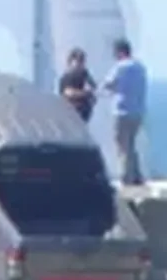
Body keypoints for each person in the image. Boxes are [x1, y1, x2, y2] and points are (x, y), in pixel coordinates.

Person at [102, 38, 147, 186]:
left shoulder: (120, 66)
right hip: (137, 111)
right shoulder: (140, 67)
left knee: (122, 145)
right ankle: (136, 175)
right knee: (131, 145)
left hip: (122, 111)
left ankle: (126, 176)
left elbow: (108, 84)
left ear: (120, 52)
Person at [58, 48, 96, 122]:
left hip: (83, 115)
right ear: (71, 61)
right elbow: (68, 93)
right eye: (79, 60)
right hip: (72, 114)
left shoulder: (85, 76)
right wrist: (85, 93)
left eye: (82, 60)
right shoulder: (68, 76)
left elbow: (93, 88)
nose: (81, 63)